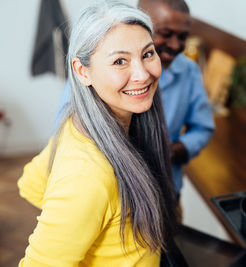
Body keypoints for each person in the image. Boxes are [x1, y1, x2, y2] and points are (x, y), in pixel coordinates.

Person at [17, 1, 177, 266]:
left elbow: (30, 183)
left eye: (148, 54)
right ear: (82, 71)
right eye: (119, 61)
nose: (142, 73)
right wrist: (75, 208)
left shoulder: (76, 121)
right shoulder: (87, 176)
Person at [54, 0, 215, 197]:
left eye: (182, 37)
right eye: (165, 34)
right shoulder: (86, 174)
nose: (175, 45)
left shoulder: (188, 71)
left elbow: (203, 127)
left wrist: (172, 152)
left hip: (167, 191)